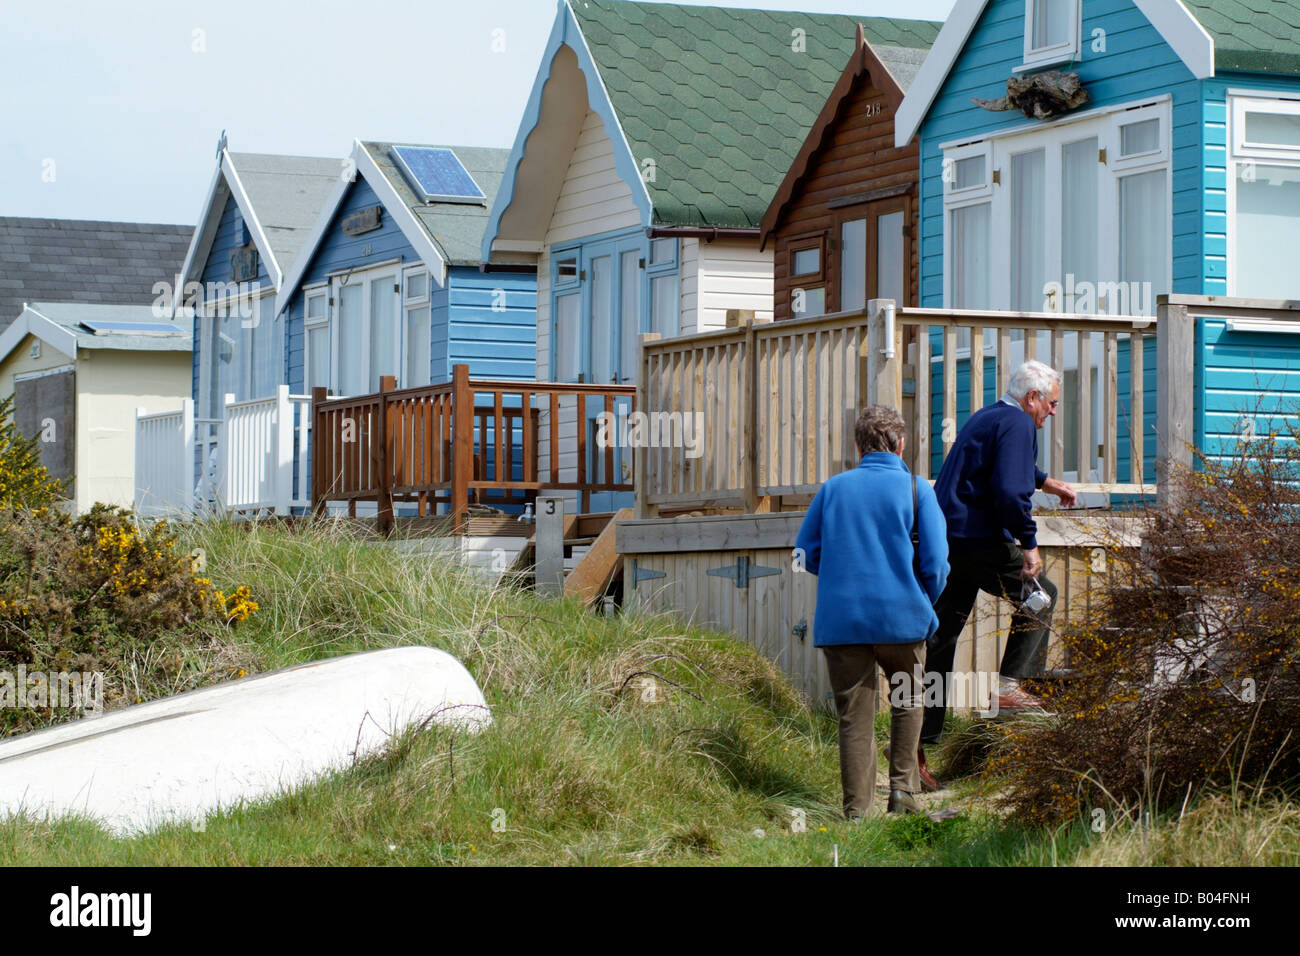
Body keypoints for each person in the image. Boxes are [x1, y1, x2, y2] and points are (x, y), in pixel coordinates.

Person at [795, 405, 948, 818]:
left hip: (843, 621)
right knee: (909, 701)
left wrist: (838, 569)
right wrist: (922, 601)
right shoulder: (919, 489)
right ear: (901, 445)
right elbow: (936, 564)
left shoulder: (833, 489)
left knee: (854, 718)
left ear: (858, 446)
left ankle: (857, 812)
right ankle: (903, 795)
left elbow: (804, 552)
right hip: (903, 619)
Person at [922, 359, 1078, 763]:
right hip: (979, 538)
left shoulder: (991, 415)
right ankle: (1009, 687)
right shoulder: (1019, 424)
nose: (1054, 412)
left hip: (949, 539)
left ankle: (923, 738)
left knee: (943, 634)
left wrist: (1046, 480)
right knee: (1042, 596)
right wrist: (1029, 544)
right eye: (1053, 403)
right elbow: (1009, 492)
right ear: (1032, 398)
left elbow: (999, 467)